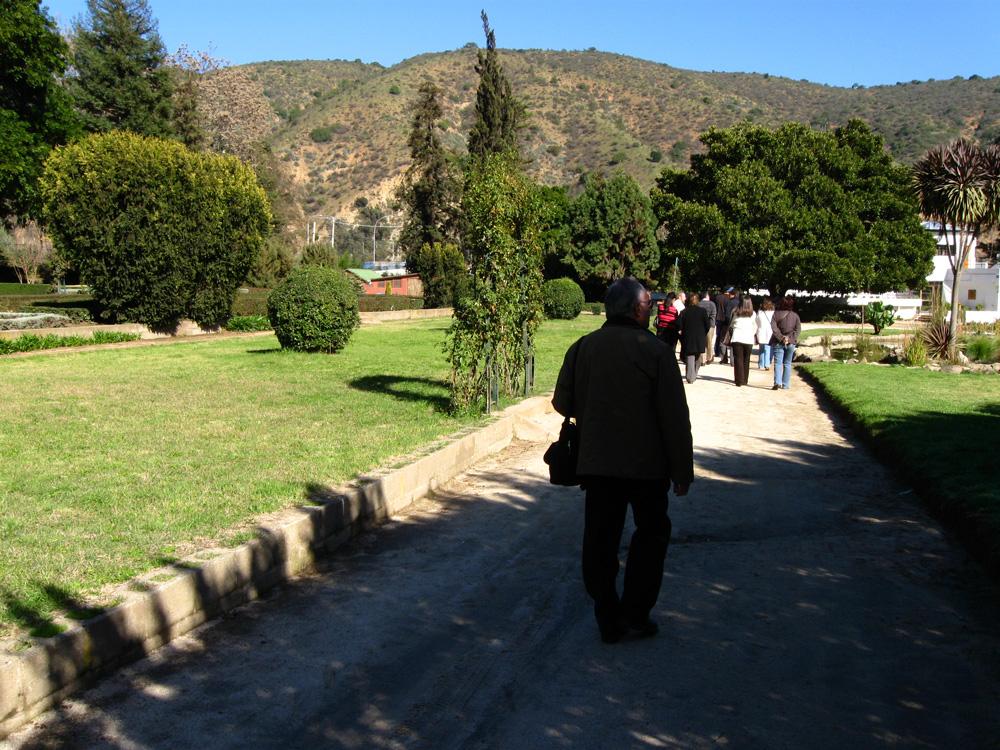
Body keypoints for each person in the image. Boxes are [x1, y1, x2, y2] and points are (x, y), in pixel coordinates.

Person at [553, 278, 694, 644]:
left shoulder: (583, 347)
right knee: (651, 536)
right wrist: (682, 470)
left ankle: (607, 615)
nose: (650, 309)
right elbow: (675, 419)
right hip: (648, 467)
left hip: (597, 464)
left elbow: (561, 404)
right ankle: (635, 612)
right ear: (636, 309)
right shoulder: (657, 352)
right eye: (648, 304)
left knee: (600, 539)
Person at [677, 292, 711, 383]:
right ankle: (694, 374)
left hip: (688, 337)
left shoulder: (684, 312)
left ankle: (690, 377)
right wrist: (704, 333)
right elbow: (708, 325)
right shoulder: (703, 311)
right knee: (698, 357)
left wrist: (682, 333)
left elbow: (679, 325)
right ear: (698, 301)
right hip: (700, 337)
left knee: (690, 357)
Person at [770, 296, 802, 390]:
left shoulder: (776, 314)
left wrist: (781, 338)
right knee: (787, 363)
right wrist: (790, 338)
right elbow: (798, 330)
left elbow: (774, 328)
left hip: (778, 342)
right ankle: (785, 384)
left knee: (778, 363)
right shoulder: (795, 316)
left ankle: (777, 382)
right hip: (791, 342)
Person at [726, 297, 758, 386]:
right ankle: (745, 380)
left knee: (738, 359)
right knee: (746, 360)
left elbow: (731, 325)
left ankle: (739, 380)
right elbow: (755, 327)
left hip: (737, 338)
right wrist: (751, 333)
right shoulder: (753, 314)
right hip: (748, 339)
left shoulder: (735, 312)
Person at [654, 292, 680, 356]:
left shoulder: (660, 307)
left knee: (660, 349)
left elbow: (659, 316)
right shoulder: (674, 310)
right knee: (669, 350)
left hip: (660, 330)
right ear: (673, 299)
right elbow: (675, 321)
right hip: (670, 331)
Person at [756, 297, 775, 370]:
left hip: (761, 331)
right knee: (768, 348)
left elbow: (757, 322)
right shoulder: (773, 312)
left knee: (761, 349)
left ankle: (761, 364)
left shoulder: (760, 312)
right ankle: (767, 364)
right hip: (770, 331)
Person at [699, 291, 717, 364]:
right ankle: (709, 358)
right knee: (709, 342)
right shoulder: (712, 304)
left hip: (700, 325)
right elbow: (713, 315)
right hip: (710, 325)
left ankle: (702, 359)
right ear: (707, 296)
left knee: (701, 342)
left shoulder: (699, 304)